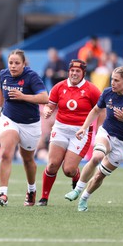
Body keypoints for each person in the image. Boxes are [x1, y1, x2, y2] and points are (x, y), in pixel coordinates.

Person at [65, 66, 123, 211]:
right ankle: (77, 189)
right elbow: (96, 110)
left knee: (99, 176)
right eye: (112, 79)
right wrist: (84, 128)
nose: (112, 83)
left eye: (116, 80)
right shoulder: (107, 92)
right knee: (97, 156)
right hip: (107, 132)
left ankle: (84, 198)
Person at [36, 59, 102, 206]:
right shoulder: (59, 87)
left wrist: (100, 130)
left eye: (78, 71)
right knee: (52, 164)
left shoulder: (92, 90)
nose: (74, 73)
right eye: (72, 70)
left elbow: (101, 110)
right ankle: (44, 198)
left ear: (83, 73)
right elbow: (50, 105)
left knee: (69, 170)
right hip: (60, 128)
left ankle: (76, 175)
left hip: (80, 132)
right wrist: (47, 111)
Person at [0, 49, 49, 207]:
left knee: (28, 159)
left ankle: (31, 190)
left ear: (24, 64)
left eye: (17, 63)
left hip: (30, 123)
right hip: (9, 119)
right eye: (11, 62)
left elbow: (45, 98)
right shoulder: (4, 74)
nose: (13, 66)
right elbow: (1, 91)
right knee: (6, 153)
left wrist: (23, 97)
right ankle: (3, 194)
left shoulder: (32, 77)